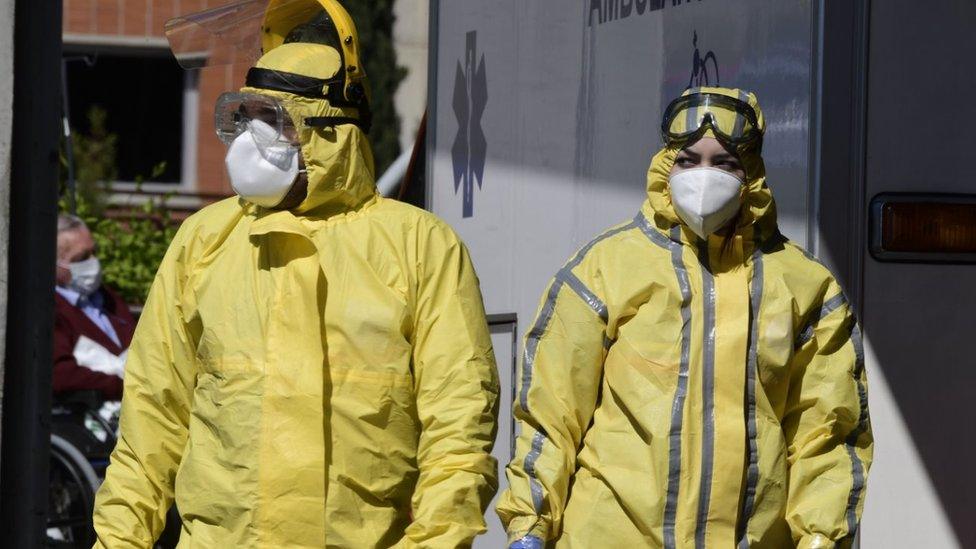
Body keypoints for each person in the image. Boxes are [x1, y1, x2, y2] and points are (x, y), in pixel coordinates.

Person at [92, 1, 499, 546]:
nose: (252, 139)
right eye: (248, 116)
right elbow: (151, 419)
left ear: (333, 133)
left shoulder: (419, 246)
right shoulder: (206, 239)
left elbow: (459, 426)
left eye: (277, 120)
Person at [497, 87, 872, 548]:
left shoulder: (806, 288)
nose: (703, 177)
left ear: (751, 172)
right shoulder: (603, 271)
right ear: (666, 162)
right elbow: (550, 415)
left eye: (725, 163)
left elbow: (827, 435)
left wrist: (820, 538)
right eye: (689, 159)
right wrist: (530, 525)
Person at [53, 214, 134, 402]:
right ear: (55, 264)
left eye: (94, 251)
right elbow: (61, 375)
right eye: (82, 258)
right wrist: (128, 385)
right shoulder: (51, 309)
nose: (94, 261)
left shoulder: (107, 297)